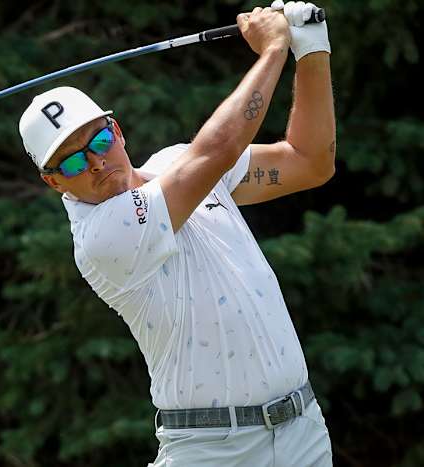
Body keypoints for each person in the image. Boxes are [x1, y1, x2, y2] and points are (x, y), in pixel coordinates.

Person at [18, 1, 334, 465]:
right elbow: (220, 148)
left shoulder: (177, 163)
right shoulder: (101, 237)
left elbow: (310, 162)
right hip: (211, 451)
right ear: (53, 182)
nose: (96, 163)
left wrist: (312, 52)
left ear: (117, 131)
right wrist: (273, 51)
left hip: (303, 431)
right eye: (71, 162)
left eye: (99, 141)